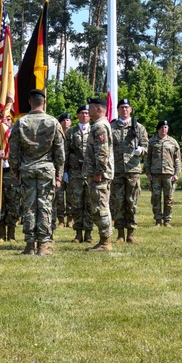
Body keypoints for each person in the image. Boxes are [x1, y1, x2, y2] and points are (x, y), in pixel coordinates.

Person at [9, 89, 66, 255]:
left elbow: (13, 150)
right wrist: (59, 174)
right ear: (44, 102)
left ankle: (29, 245)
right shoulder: (53, 122)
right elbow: (60, 152)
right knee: (45, 206)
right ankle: (42, 245)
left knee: (28, 207)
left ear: (30, 102)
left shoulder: (21, 122)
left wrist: (15, 169)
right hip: (46, 169)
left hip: (26, 169)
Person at [110, 98, 149, 244]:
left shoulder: (139, 127)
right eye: (122, 108)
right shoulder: (112, 127)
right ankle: (120, 233)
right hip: (117, 170)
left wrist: (142, 150)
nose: (125, 110)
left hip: (132, 170)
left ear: (130, 110)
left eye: (127, 107)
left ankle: (131, 233)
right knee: (118, 202)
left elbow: (146, 146)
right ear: (118, 110)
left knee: (132, 202)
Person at [84, 96, 114, 252]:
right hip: (98, 173)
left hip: (99, 175)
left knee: (100, 207)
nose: (88, 111)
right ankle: (104, 239)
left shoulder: (100, 126)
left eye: (91, 108)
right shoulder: (98, 125)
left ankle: (105, 242)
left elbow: (102, 152)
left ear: (99, 109)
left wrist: (98, 172)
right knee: (98, 206)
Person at [0, 110, 19, 243]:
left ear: (11, 121)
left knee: (13, 204)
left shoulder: (16, 136)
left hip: (12, 173)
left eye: (7, 119)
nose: (4, 122)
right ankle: (1, 234)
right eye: (2, 120)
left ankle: (11, 234)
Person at [146, 120, 181, 227]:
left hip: (169, 174)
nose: (164, 129)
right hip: (155, 174)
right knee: (156, 197)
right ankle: (157, 219)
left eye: (165, 127)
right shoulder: (152, 142)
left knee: (169, 198)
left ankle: (167, 220)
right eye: (162, 127)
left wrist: (177, 173)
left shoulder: (173, 142)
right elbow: (147, 159)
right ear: (158, 129)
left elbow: (177, 159)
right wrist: (148, 172)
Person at [66, 105, 92, 242]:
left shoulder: (94, 130)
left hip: (90, 173)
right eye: (82, 113)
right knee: (76, 203)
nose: (84, 115)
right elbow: (65, 152)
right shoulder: (71, 132)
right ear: (77, 115)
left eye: (87, 113)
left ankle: (88, 233)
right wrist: (64, 171)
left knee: (89, 203)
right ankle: (77, 233)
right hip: (75, 172)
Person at [55, 112, 71, 227]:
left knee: (71, 195)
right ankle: (60, 219)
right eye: (64, 120)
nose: (66, 122)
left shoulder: (73, 134)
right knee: (59, 196)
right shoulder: (57, 134)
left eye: (68, 120)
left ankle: (70, 219)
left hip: (71, 169)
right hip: (58, 170)